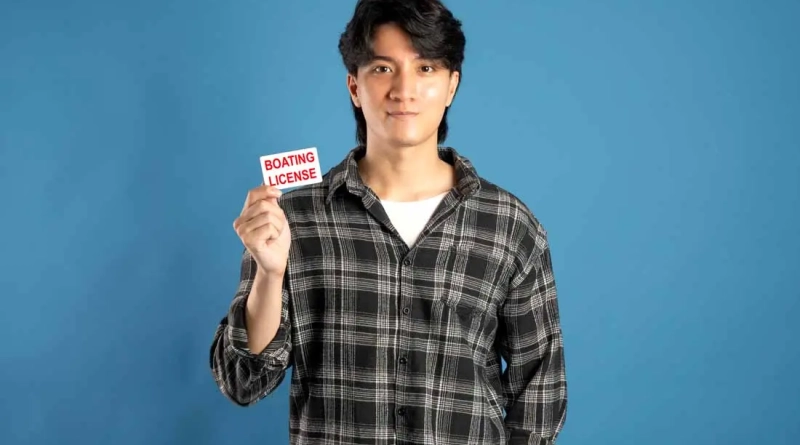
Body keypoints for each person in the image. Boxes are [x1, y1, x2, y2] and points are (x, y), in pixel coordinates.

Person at [209, 0, 568, 443]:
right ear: (354, 87)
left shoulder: (510, 226)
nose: (404, 90)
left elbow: (541, 394)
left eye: (426, 69)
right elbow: (243, 382)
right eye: (382, 69)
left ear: (452, 85)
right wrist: (269, 272)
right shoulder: (293, 218)